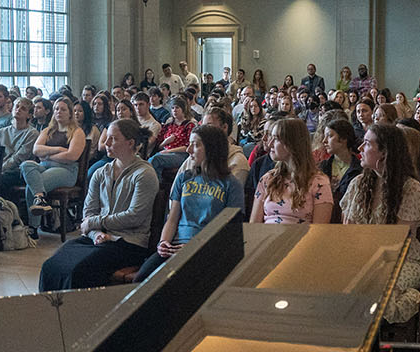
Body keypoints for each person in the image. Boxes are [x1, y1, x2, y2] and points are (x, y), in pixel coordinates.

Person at [39, 119, 157, 291]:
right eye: (107, 137)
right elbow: (89, 211)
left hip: (128, 242)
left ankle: (78, 315)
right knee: (51, 265)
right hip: (98, 238)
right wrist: (95, 234)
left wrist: (94, 224)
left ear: (130, 143)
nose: (106, 143)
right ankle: (52, 314)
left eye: (113, 139)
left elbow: (134, 216)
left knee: (79, 270)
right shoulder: (101, 172)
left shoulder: (144, 174)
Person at [342, 124, 420, 324]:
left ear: (384, 152)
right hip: (364, 257)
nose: (359, 149)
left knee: (374, 293)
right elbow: (348, 232)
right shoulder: (358, 184)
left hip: (403, 260)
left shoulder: (410, 188)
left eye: (366, 144)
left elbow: (395, 242)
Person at [140, 124, 242, 281]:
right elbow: (172, 218)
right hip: (174, 247)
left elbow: (230, 231)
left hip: (206, 250)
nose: (188, 150)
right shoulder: (185, 178)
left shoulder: (231, 184)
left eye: (195, 145)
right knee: (142, 278)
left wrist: (196, 247)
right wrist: (164, 243)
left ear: (212, 148)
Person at [251, 118, 333, 224]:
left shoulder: (319, 182)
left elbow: (319, 231)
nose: (270, 144)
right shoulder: (267, 179)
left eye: (276, 139)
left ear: (291, 143)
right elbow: (254, 225)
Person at [22, 97, 85, 221]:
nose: (59, 112)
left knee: (32, 186)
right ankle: (40, 198)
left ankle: (33, 228)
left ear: (70, 113)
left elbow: (72, 156)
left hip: (66, 170)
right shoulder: (48, 130)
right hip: (45, 166)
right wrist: (59, 149)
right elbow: (36, 150)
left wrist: (47, 155)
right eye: (56, 109)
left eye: (63, 109)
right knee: (26, 165)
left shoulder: (77, 132)